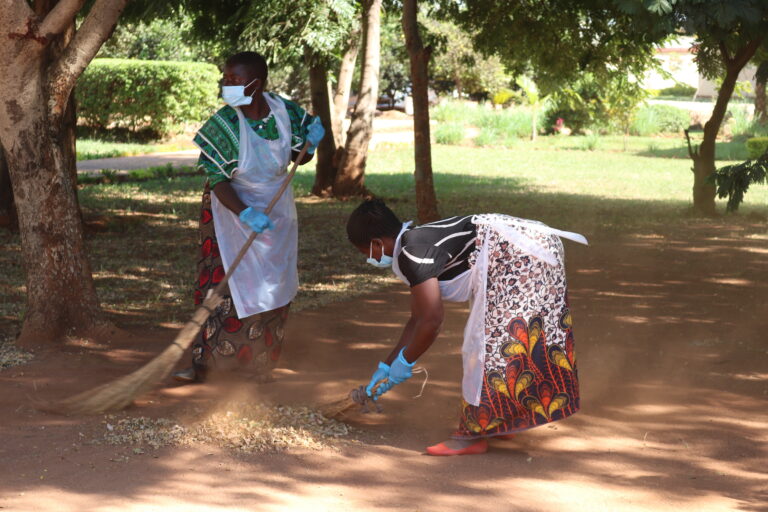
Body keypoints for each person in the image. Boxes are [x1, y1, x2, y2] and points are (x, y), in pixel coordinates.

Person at [346, 199, 587, 456]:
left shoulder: (412, 252)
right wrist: (386, 366)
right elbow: (416, 319)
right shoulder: (414, 244)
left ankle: (472, 435)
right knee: (506, 343)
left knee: (485, 346)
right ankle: (500, 423)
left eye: (365, 253)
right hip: (532, 247)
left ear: (376, 244)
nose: (369, 259)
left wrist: (402, 365)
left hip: (521, 255)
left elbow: (431, 320)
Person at [173, 51, 324, 383]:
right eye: (225, 78)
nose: (227, 84)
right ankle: (206, 366)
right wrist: (246, 213)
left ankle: (257, 367)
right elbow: (217, 181)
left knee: (271, 285)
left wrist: (311, 144)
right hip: (230, 211)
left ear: (256, 84)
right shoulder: (223, 124)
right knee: (222, 285)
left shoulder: (286, 112)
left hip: (277, 210)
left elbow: (300, 156)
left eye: (234, 80)